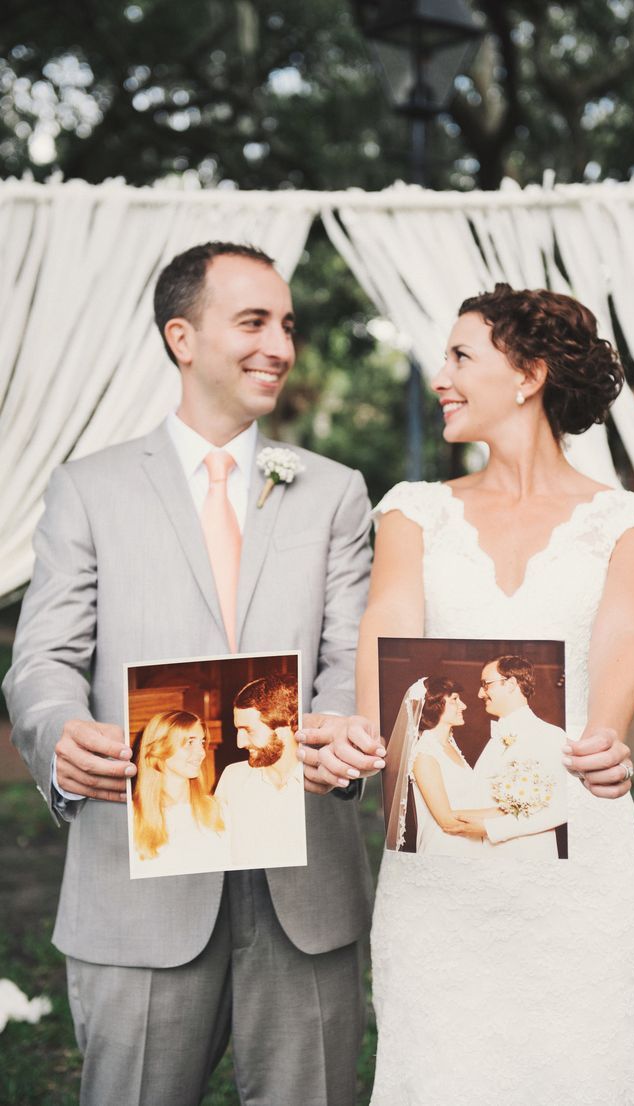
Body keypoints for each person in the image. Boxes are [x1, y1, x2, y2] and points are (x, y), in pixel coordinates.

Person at [2, 242, 379, 1106]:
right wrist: (60, 733)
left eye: (287, 325)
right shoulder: (87, 489)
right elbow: (46, 659)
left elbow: (345, 658)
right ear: (182, 336)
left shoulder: (334, 492)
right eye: (253, 322)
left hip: (304, 886)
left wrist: (335, 737)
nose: (280, 345)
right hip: (139, 881)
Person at [350, 283, 634, 1105]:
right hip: (439, 881)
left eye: (461, 356)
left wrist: (607, 731)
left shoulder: (632, 524)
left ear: (527, 374)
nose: (441, 377)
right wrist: (372, 732)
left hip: (577, 869)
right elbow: (388, 624)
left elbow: (625, 634)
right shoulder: (412, 513)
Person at [470, 655, 568, 859]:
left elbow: (561, 807)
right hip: (484, 858)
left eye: (485, 685)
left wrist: (491, 829)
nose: (480, 693)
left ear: (511, 683)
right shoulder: (495, 738)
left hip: (527, 857)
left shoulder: (550, 735)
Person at [385, 676, 488, 857]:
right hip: (445, 851)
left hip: (470, 848)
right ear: (435, 704)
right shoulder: (424, 754)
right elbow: (448, 821)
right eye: (455, 700)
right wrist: (504, 816)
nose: (463, 706)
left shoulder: (450, 745)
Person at [215, 674, 307, 869]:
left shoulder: (320, 780)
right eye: (237, 730)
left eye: (248, 730)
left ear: (285, 728)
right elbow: (216, 851)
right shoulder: (232, 777)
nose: (240, 743)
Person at [130, 709, 228, 878]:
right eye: (190, 742)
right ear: (160, 748)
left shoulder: (218, 810)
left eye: (202, 742)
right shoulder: (132, 817)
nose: (202, 753)